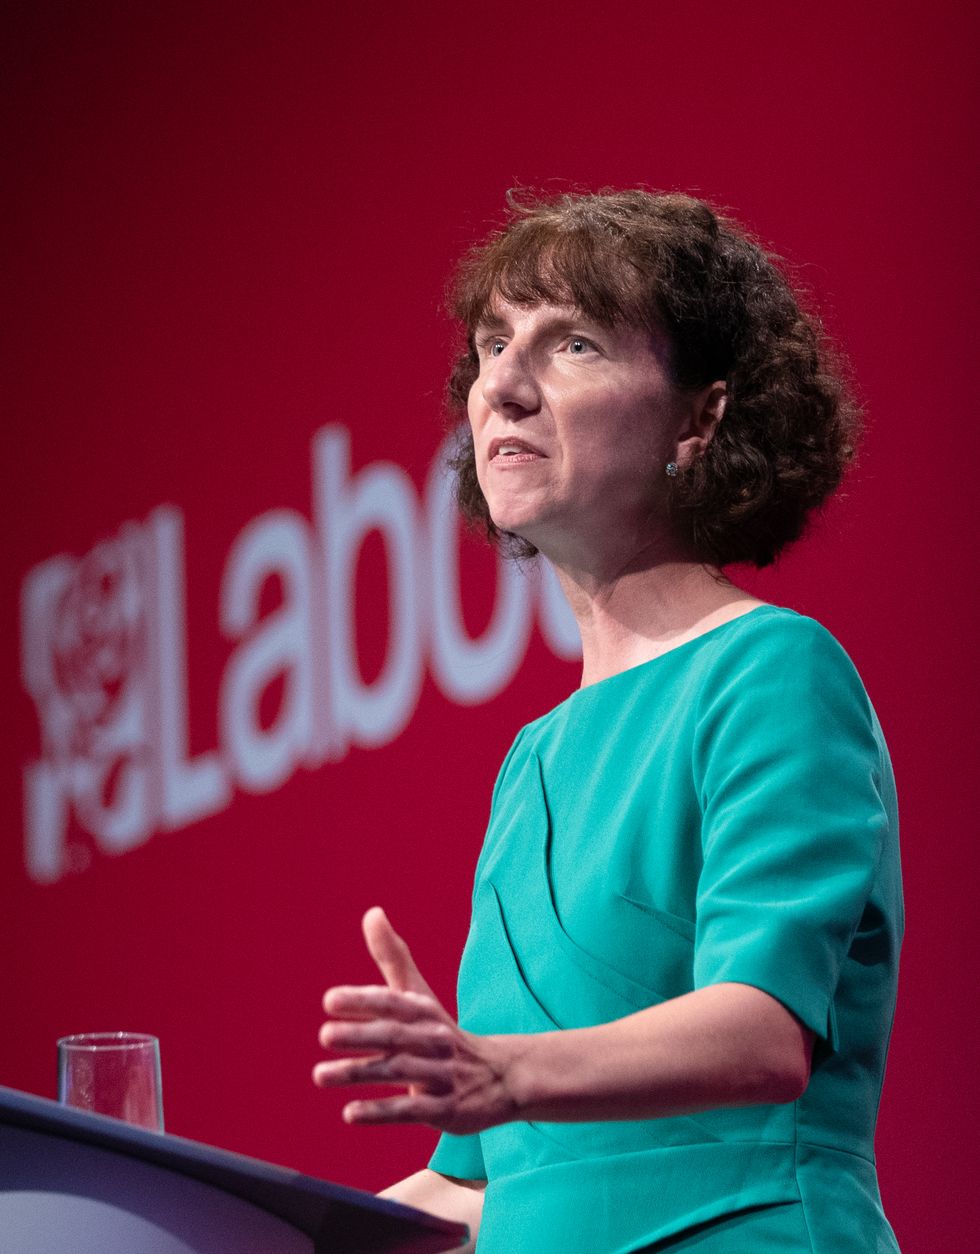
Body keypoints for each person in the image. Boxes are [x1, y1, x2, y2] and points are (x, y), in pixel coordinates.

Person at [312, 190, 903, 1253]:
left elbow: (758, 1034)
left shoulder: (769, 670)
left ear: (699, 417)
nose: (501, 385)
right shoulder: (530, 760)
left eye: (570, 342)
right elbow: (487, 1187)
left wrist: (503, 1073)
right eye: (493, 344)